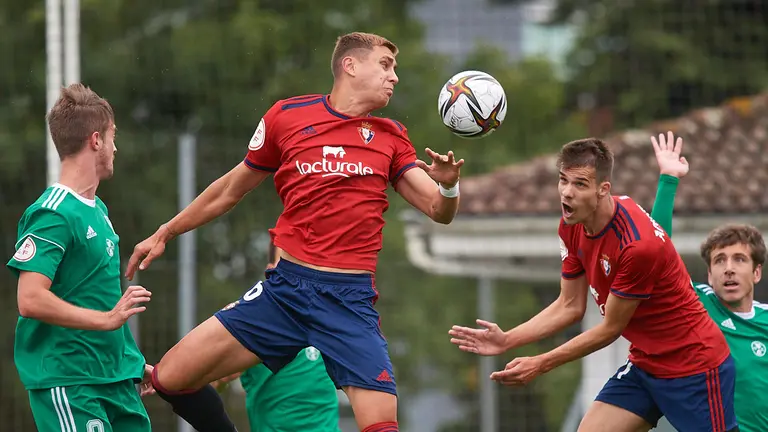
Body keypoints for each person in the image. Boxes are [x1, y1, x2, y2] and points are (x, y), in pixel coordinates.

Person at [126, 31, 463, 432]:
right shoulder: (288, 117)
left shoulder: (390, 136)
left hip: (348, 302)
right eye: (386, 65)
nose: (395, 77)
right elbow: (229, 190)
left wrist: (448, 185)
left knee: (382, 425)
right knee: (169, 379)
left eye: (395, 69)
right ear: (350, 65)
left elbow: (438, 211)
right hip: (285, 291)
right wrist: (166, 231)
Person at [449, 137, 738, 432]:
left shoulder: (636, 247)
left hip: (696, 368)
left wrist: (542, 362)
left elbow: (610, 329)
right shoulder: (570, 227)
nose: (567, 193)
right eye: (563, 180)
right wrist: (508, 339)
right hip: (647, 364)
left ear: (603, 190)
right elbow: (570, 305)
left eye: (580, 184)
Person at [6, 83, 153, 432]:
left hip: (114, 379)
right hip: (71, 380)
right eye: (113, 137)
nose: (116, 147)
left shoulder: (99, 211)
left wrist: (131, 362)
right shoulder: (53, 213)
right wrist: (106, 320)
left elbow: (97, 297)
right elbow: (29, 299)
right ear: (96, 139)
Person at [649, 131, 768, 431]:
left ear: (757, 273)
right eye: (720, 261)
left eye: (739, 260)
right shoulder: (697, 304)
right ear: (709, 274)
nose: (729, 269)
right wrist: (668, 179)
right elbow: (656, 253)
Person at [212, 241, 341, 431]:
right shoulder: (250, 321)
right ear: (270, 271)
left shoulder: (333, 321)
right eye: (289, 262)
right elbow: (206, 381)